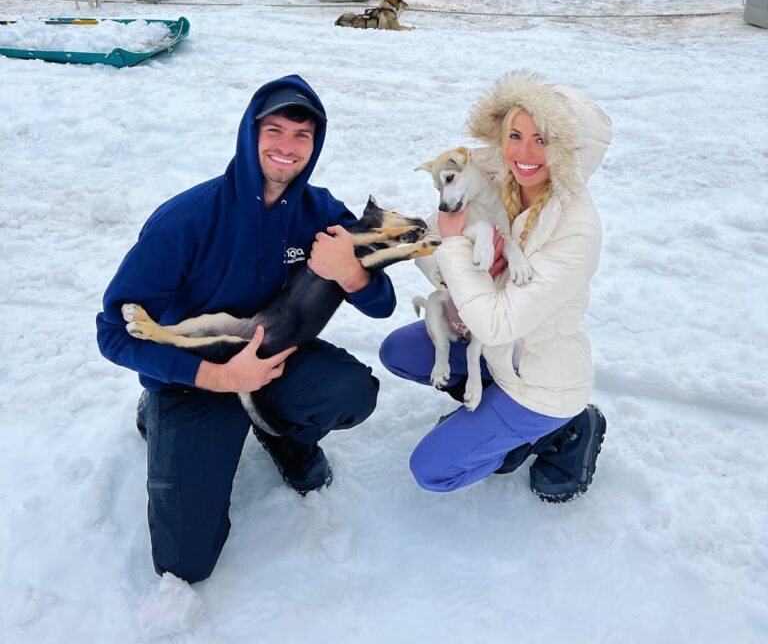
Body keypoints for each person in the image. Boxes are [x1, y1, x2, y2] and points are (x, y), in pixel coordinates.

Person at [97, 75, 395, 583]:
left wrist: (353, 273)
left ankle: (282, 433)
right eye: (274, 130)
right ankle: (162, 415)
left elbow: (382, 305)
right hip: (195, 379)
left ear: (315, 145)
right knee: (185, 564)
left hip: (274, 361)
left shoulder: (320, 212)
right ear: (249, 133)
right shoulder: (186, 220)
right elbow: (113, 332)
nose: (287, 147)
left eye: (302, 135)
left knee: (351, 391)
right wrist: (215, 378)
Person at [380, 71, 612, 502]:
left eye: (542, 140)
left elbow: (498, 324)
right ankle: (491, 416)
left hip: (539, 380)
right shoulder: (497, 174)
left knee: (432, 470)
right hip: (492, 348)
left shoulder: (577, 229)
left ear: (567, 150)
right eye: (516, 135)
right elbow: (434, 233)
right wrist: (444, 263)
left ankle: (561, 430)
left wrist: (454, 245)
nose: (523, 153)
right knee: (399, 352)